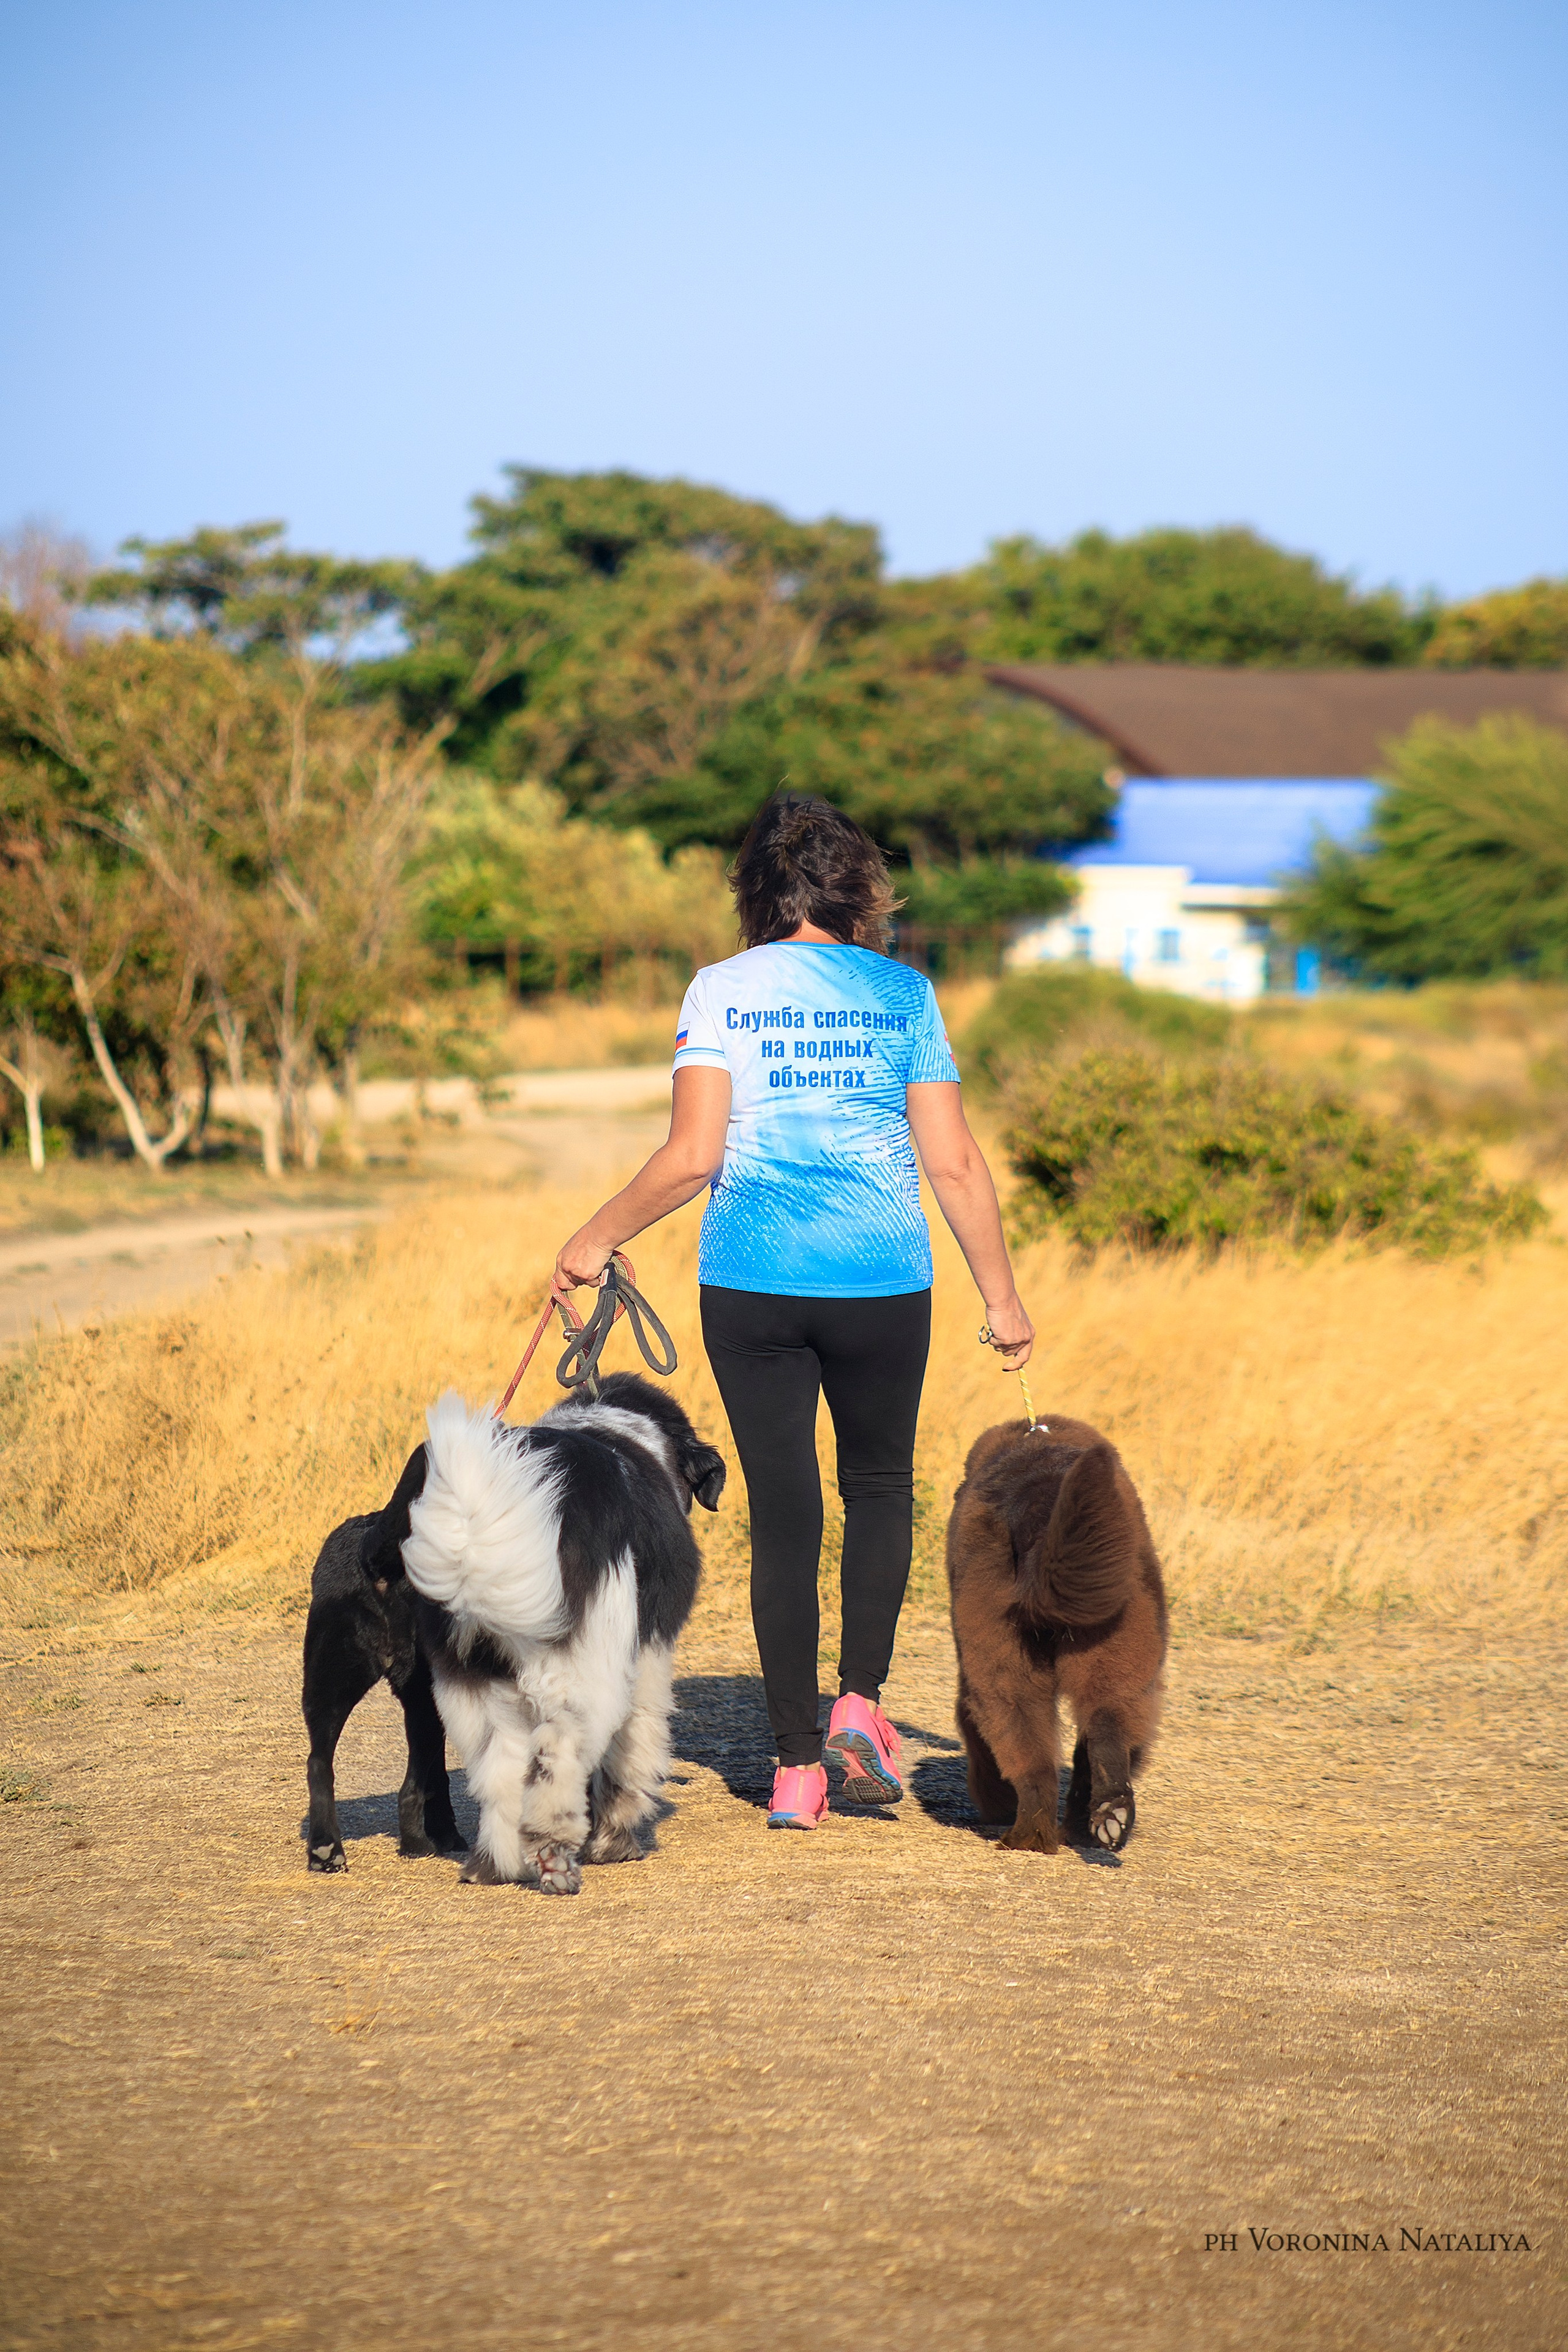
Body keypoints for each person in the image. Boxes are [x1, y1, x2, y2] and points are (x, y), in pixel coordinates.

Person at [551, 794, 1034, 1830]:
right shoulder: (905, 994)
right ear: (860, 887)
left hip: (753, 1282)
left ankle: (798, 1773)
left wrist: (593, 1240)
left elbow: (692, 1158)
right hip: (881, 1281)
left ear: (755, 891)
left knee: (785, 1514)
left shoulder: (721, 990)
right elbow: (951, 1161)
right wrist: (1004, 1300)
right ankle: (860, 1702)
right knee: (879, 1488)